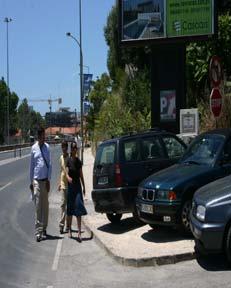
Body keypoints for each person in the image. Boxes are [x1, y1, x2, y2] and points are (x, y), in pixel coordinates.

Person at [30, 127, 52, 242]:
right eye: (41, 136)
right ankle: (38, 232)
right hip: (37, 181)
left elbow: (50, 164)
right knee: (38, 206)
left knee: (45, 207)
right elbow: (31, 166)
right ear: (38, 137)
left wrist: (49, 180)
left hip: (45, 181)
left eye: (44, 136)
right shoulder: (33, 148)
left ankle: (44, 228)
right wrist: (31, 182)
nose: (43, 138)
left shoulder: (47, 147)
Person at [66, 141, 87, 242]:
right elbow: (66, 171)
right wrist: (67, 177)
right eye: (73, 148)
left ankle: (79, 232)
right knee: (70, 209)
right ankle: (69, 229)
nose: (74, 149)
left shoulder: (78, 161)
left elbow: (81, 175)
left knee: (78, 208)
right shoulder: (68, 161)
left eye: (75, 148)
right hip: (70, 187)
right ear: (71, 149)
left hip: (77, 187)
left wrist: (84, 187)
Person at [57, 141, 69, 234]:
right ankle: (61, 225)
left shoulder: (70, 158)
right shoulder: (61, 158)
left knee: (69, 206)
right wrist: (59, 183)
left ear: (67, 148)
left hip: (70, 185)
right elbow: (61, 171)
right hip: (63, 184)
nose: (63, 149)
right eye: (62, 147)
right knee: (62, 205)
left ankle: (68, 226)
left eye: (65, 147)